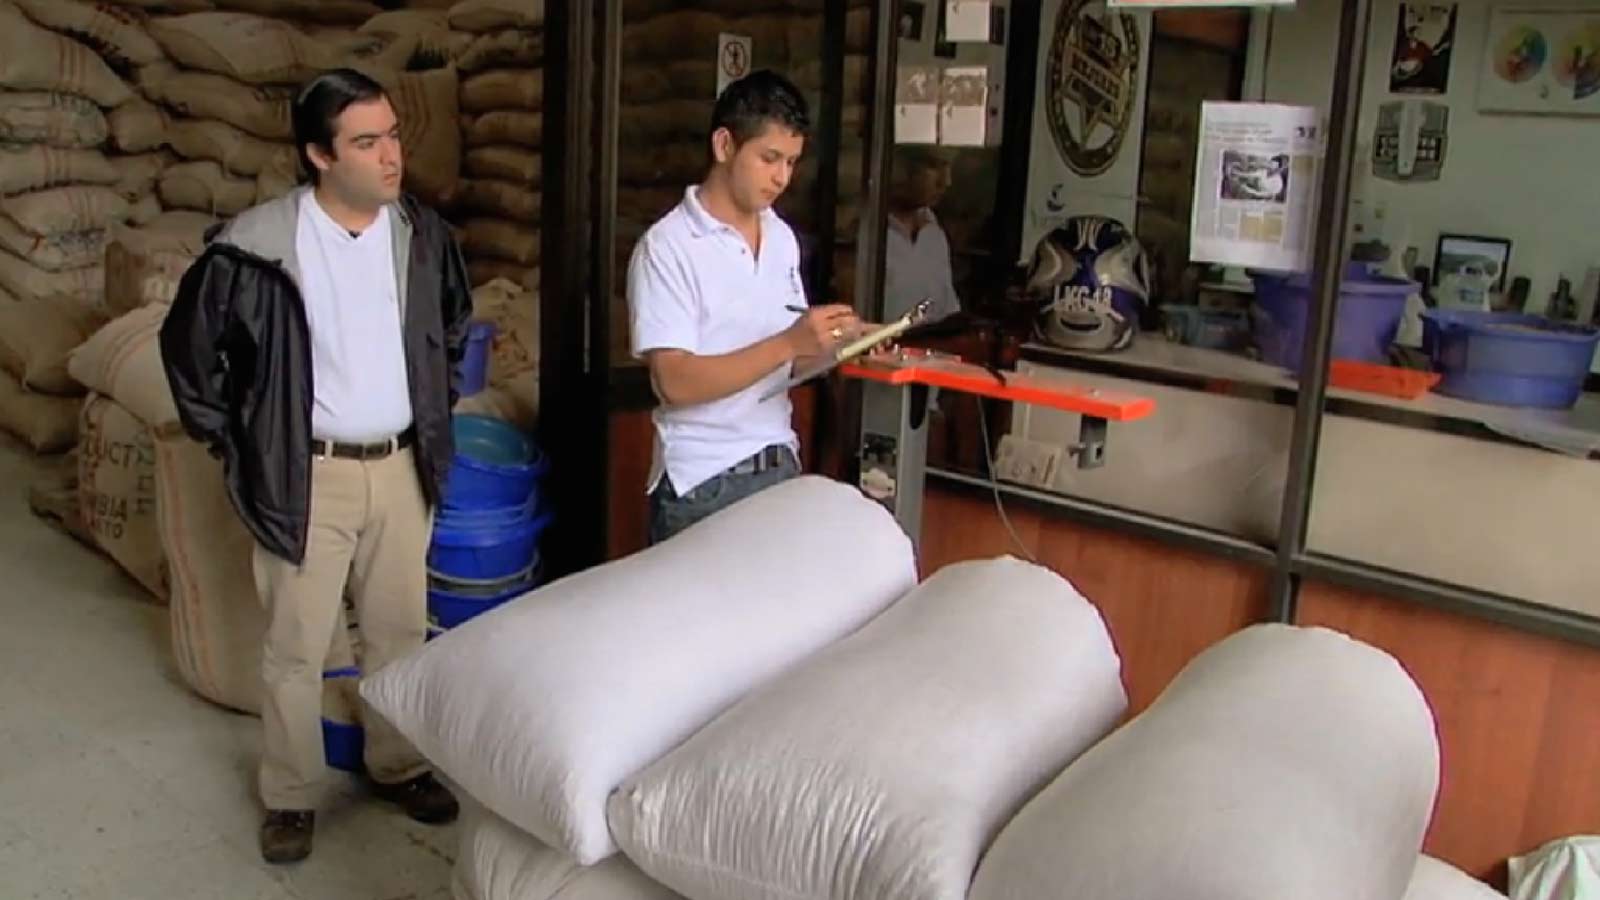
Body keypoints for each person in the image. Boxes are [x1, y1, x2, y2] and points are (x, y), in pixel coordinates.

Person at [159, 68, 471, 864]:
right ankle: (292, 794)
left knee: (400, 635)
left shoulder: (422, 237)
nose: (391, 155)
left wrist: (431, 415)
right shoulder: (259, 249)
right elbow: (192, 358)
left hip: (402, 470)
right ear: (318, 155)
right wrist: (241, 444)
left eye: (394, 134)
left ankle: (396, 763)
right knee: (297, 648)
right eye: (367, 142)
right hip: (309, 474)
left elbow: (454, 325)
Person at [628, 70, 859, 544]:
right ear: (724, 145)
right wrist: (790, 341)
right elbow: (674, 381)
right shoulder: (668, 247)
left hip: (778, 464)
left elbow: (788, 363)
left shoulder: (781, 238)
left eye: (792, 162)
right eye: (769, 158)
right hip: (704, 482)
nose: (782, 178)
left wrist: (840, 345)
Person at [881, 146, 961, 323]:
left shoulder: (934, 235)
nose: (946, 181)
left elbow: (948, 311)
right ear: (897, 166)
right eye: (933, 166)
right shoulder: (865, 234)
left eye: (948, 168)